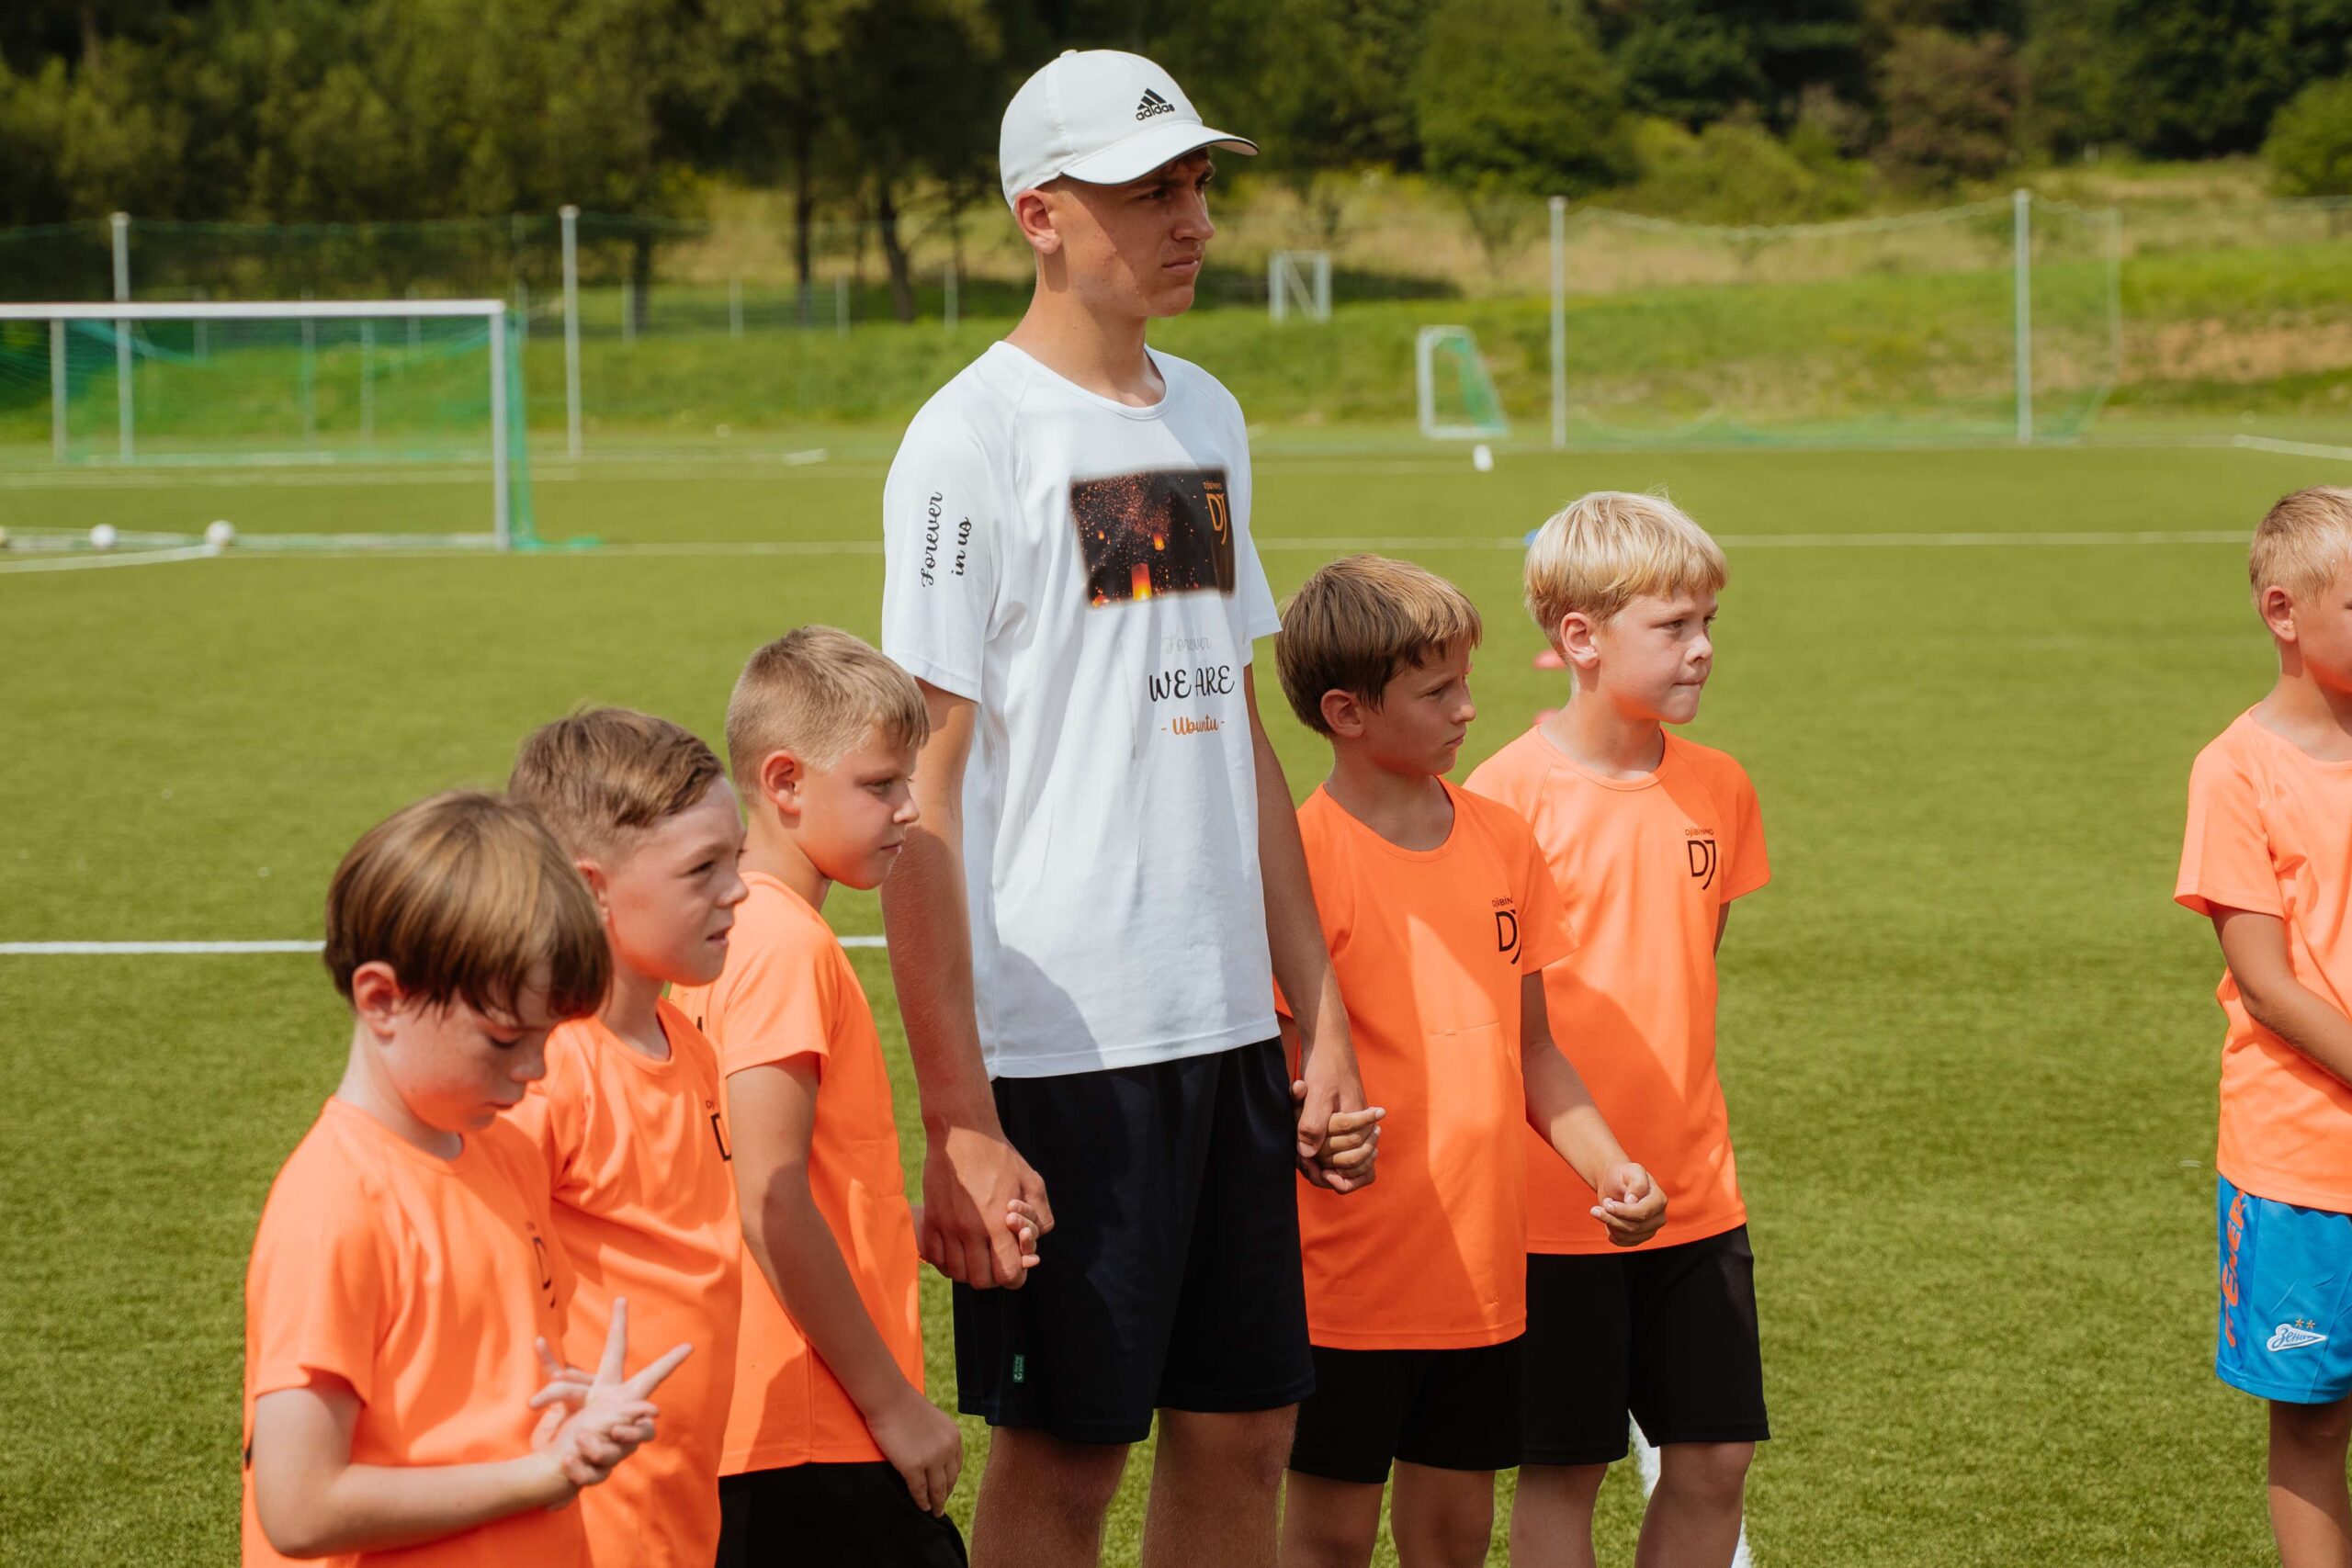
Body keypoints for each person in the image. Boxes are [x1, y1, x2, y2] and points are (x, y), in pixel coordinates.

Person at [877, 47, 1376, 1568]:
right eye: (1149, 190)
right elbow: (919, 796)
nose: (1192, 219)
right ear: (1040, 213)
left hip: (1223, 1030)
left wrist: (1319, 1015)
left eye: (1198, 183)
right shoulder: (971, 439)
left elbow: (1229, 724)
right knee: (1069, 1454)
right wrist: (959, 1116)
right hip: (1061, 1043)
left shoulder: (1205, 413)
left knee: (1246, 1433)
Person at [1269, 556, 1666, 1568]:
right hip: (1345, 1284)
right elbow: (1280, 1079)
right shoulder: (1297, 863)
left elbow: (1533, 1049)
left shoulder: (1502, 840)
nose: (1467, 709)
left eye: (1466, 682)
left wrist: (1610, 1165)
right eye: (1436, 691)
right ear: (1345, 713)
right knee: (1331, 1539)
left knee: (1452, 1540)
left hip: (1483, 1276)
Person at [241, 790, 690, 1567]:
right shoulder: (335, 1205)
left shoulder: (504, 1151)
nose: (535, 1067)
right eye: (504, 1038)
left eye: (548, 1035)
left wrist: (570, 1414)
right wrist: (542, 1473)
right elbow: (300, 1504)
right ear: (383, 999)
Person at [673, 627, 1036, 1567]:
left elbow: (753, 1175)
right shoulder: (782, 946)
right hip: (813, 1423)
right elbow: (768, 1200)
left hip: (765, 1421)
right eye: (881, 785)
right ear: (786, 782)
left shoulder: (721, 938)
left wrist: (903, 1225)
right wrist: (893, 1405)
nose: (910, 808)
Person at [1466, 492, 1770, 1568]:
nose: (1701, 649)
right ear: (1580, 639)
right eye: (1673, 626)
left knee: (1715, 1459)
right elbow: (1500, 1026)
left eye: (1707, 623)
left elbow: (1692, 962)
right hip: (1554, 1209)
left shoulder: (1719, 788)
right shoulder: (1502, 800)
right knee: (1566, 1468)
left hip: (1696, 1191)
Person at [504, 710, 749, 1567]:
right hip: (583, 1521)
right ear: (593, 887)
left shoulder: (690, 1044)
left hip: (678, 1508)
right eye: (703, 868)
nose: (738, 890)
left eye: (738, 858)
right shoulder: (545, 1072)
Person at [2177, 486, 2352, 1568]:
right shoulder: (2234, 770)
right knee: (2316, 1422)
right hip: (2303, 1164)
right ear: (2283, 611)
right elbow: (2268, 982)